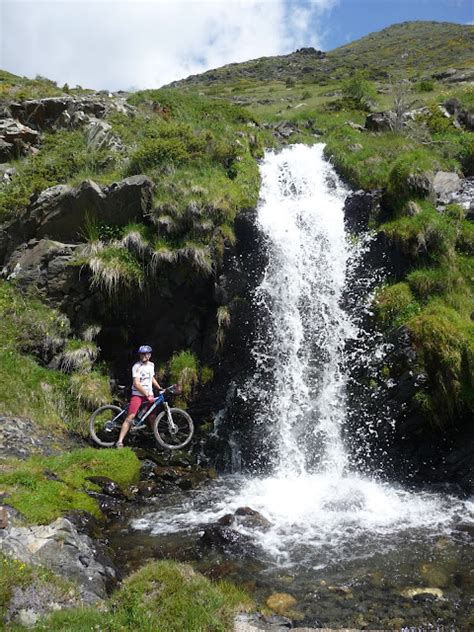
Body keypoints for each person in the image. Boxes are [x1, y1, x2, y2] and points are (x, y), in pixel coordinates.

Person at [116, 345, 162, 448]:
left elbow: (152, 378)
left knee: (153, 418)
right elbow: (136, 383)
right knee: (130, 417)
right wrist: (146, 394)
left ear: (149, 355)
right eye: (141, 354)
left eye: (145, 354)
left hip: (149, 395)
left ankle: (159, 441)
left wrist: (159, 388)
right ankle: (119, 441)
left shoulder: (151, 365)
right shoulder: (136, 366)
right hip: (138, 395)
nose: (143, 356)